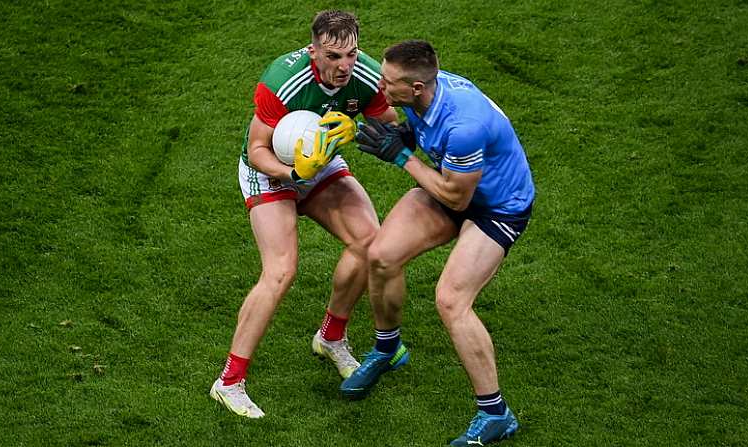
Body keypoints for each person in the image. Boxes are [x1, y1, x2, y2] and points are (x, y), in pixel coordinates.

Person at [340, 40, 534, 446]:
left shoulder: (464, 126)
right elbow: (421, 134)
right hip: (454, 185)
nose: (381, 84)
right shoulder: (422, 92)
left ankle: (496, 414)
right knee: (381, 256)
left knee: (451, 300)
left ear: (415, 88)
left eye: (388, 81)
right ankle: (388, 349)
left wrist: (401, 156)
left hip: (496, 208)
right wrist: (402, 134)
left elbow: (455, 198)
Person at [210, 10, 398, 418]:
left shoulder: (365, 76)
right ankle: (228, 382)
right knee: (280, 271)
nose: (343, 66)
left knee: (371, 242)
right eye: (332, 56)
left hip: (319, 163)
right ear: (313, 50)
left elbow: (391, 125)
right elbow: (258, 149)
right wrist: (294, 173)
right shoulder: (282, 80)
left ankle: (331, 337)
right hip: (270, 173)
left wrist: (361, 131)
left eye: (350, 54)